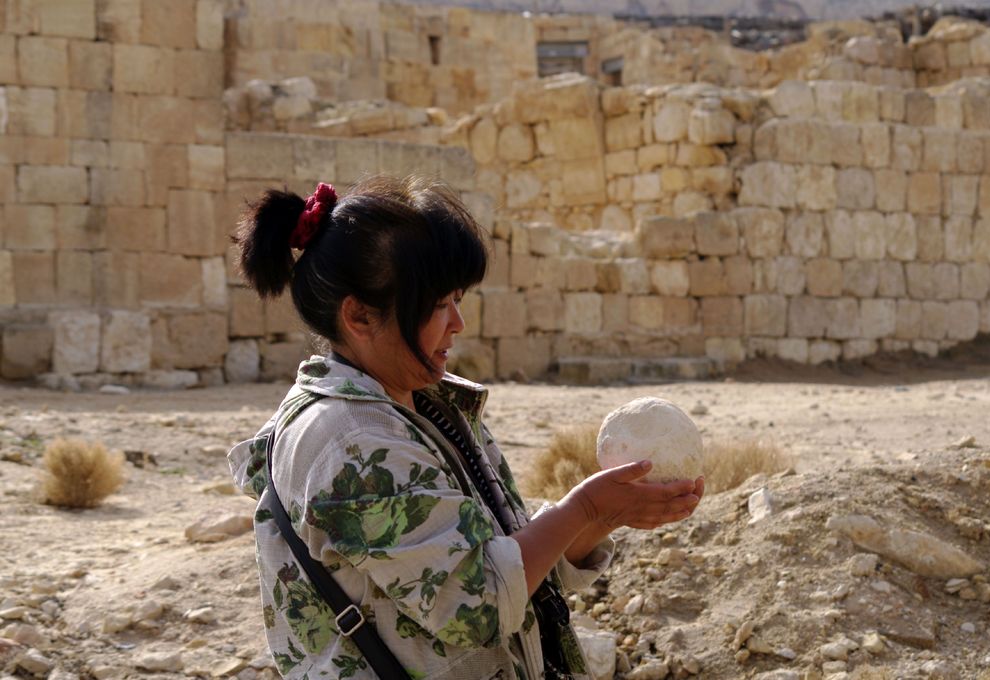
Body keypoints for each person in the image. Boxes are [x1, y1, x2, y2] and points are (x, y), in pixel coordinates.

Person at [227, 175, 705, 680]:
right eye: (438, 304)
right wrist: (583, 507)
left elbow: (510, 560)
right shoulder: (350, 442)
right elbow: (477, 605)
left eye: (458, 298)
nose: (458, 322)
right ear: (360, 316)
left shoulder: (427, 403)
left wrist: (603, 516)